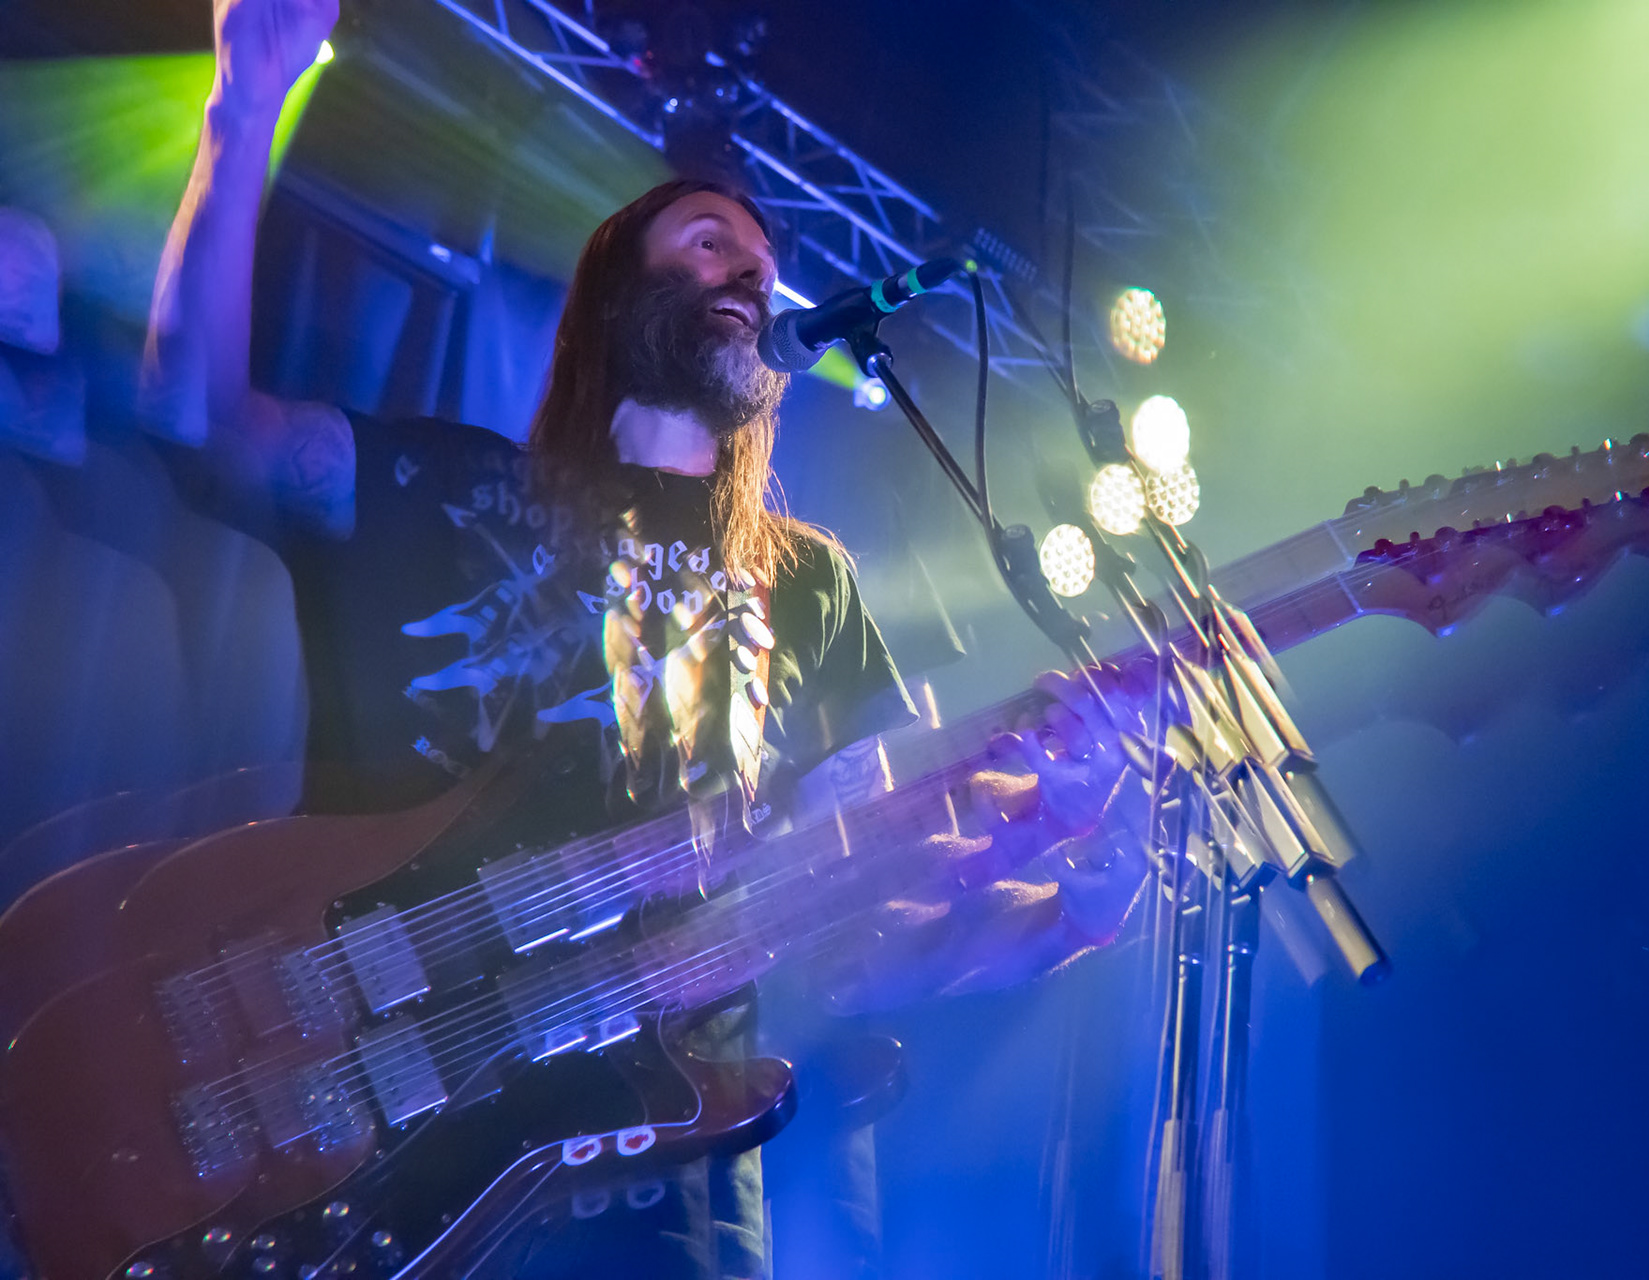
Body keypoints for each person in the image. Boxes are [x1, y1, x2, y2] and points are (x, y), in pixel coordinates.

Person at [137, 0, 1150, 1275]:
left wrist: (1066, 907)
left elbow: (857, 937)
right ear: (619, 295)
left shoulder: (810, 585)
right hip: (381, 1141)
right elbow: (196, 420)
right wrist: (244, 102)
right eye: (711, 243)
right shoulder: (455, 489)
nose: (751, 277)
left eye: (764, 269)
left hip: (677, 1191)